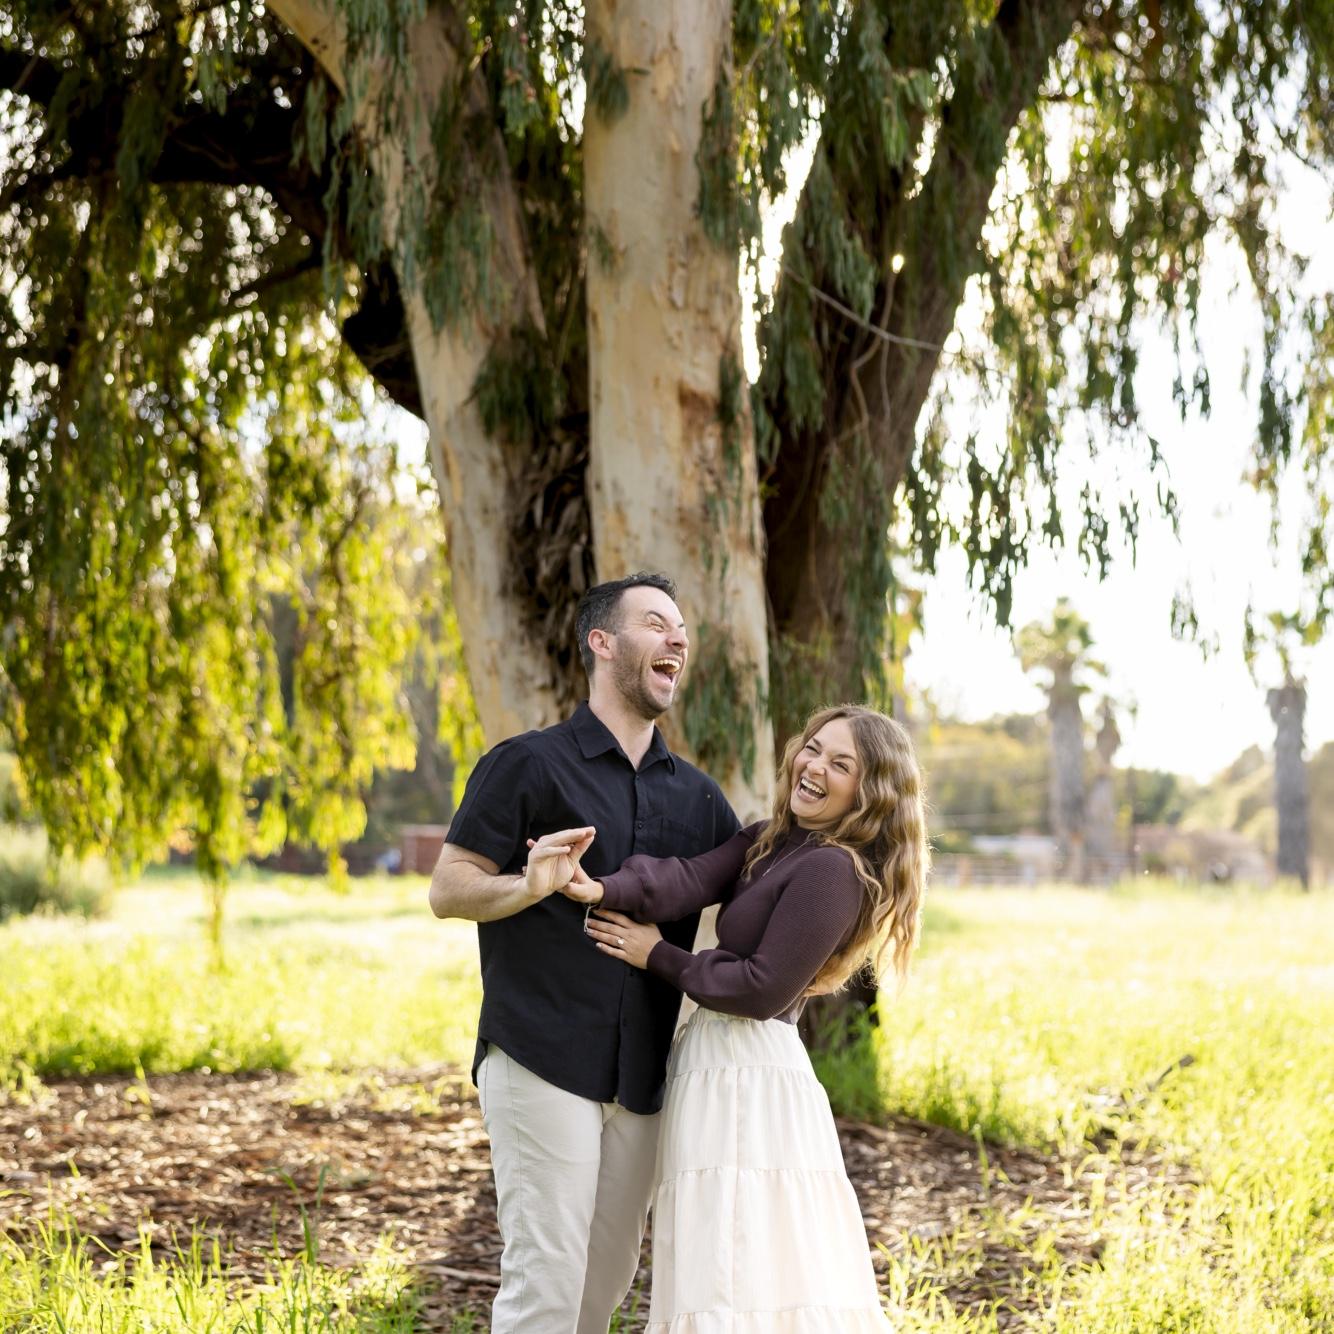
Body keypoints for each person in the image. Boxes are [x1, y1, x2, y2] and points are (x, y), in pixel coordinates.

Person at [427, 572, 740, 1334]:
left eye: (681, 630)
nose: (678, 638)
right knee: (547, 1285)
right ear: (602, 642)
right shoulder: (527, 764)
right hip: (540, 1056)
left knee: (601, 1289)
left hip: (643, 1079)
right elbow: (447, 888)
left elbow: (753, 903)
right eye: (655, 623)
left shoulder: (701, 799)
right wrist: (527, 886)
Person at [552, 703, 928, 1331]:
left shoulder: (833, 870)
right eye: (813, 748)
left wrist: (657, 955)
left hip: (750, 1073)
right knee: (712, 1247)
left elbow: (762, 990)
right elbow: (686, 880)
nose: (814, 767)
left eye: (841, 765)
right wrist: (603, 888)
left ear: (870, 793)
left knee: (738, 1252)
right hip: (713, 1062)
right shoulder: (768, 840)